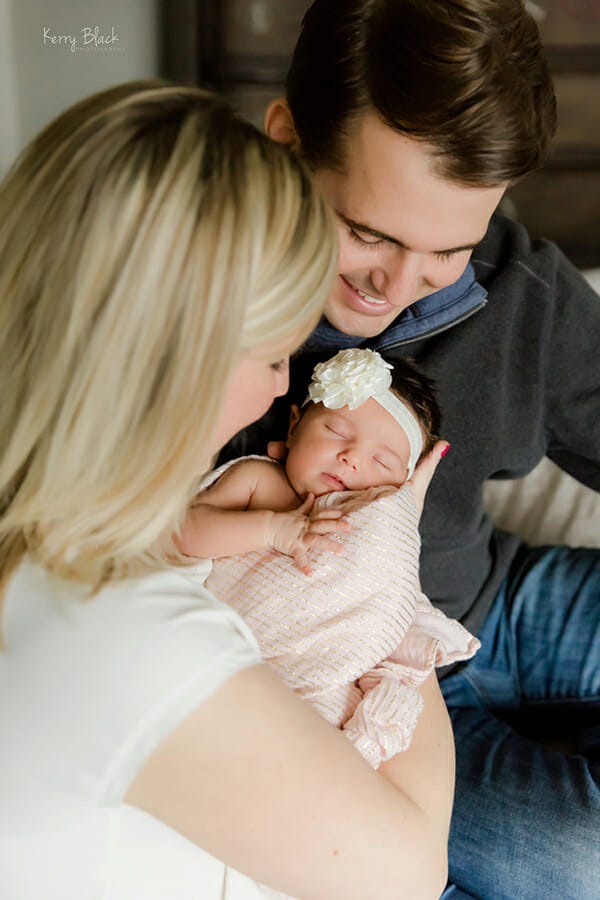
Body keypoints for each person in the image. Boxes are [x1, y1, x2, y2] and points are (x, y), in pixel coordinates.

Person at [0, 81, 454, 899]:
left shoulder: (56, 546)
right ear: (188, 362)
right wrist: (392, 566)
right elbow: (410, 873)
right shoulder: (117, 635)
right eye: (278, 357)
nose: (281, 389)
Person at [220, 1, 600, 897]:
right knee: (579, 858)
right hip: (347, 695)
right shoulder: (202, 300)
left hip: (494, 603)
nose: (394, 288)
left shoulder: (524, 292)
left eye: (447, 252)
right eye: (367, 234)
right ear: (286, 138)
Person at [181, 349, 479, 768]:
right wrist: (273, 528)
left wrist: (398, 519)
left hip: (324, 679)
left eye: (381, 460)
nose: (352, 457)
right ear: (294, 424)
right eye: (337, 432)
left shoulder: (368, 526)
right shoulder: (259, 482)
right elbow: (183, 532)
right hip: (225, 658)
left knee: (318, 754)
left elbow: (384, 594)